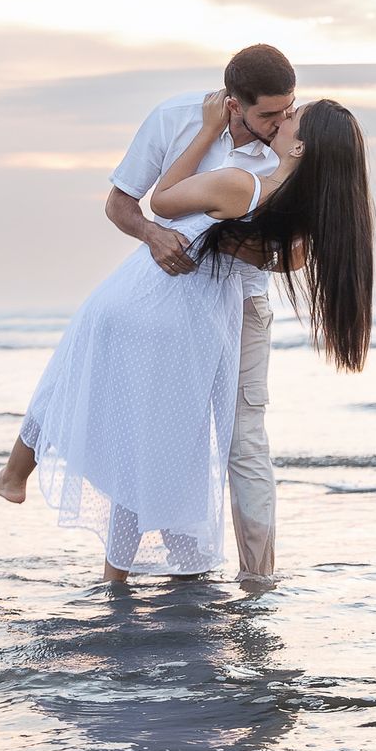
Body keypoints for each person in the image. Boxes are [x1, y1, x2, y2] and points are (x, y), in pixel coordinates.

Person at [0, 87, 373, 583]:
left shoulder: (240, 181)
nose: (285, 118)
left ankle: (20, 482)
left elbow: (162, 203)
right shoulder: (300, 208)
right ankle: (121, 574)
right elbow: (283, 258)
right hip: (202, 323)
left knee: (73, 387)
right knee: (153, 442)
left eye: (293, 117)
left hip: (150, 300)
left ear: (300, 147)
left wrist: (208, 130)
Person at [104, 45, 297, 580]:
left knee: (244, 439)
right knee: (162, 432)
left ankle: (259, 577)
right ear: (233, 105)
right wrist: (153, 236)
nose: (281, 121)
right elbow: (122, 203)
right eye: (268, 114)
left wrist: (232, 245)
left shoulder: (291, 144)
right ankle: (141, 571)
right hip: (175, 305)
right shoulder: (175, 118)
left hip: (245, 305)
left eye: (288, 108)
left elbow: (296, 254)